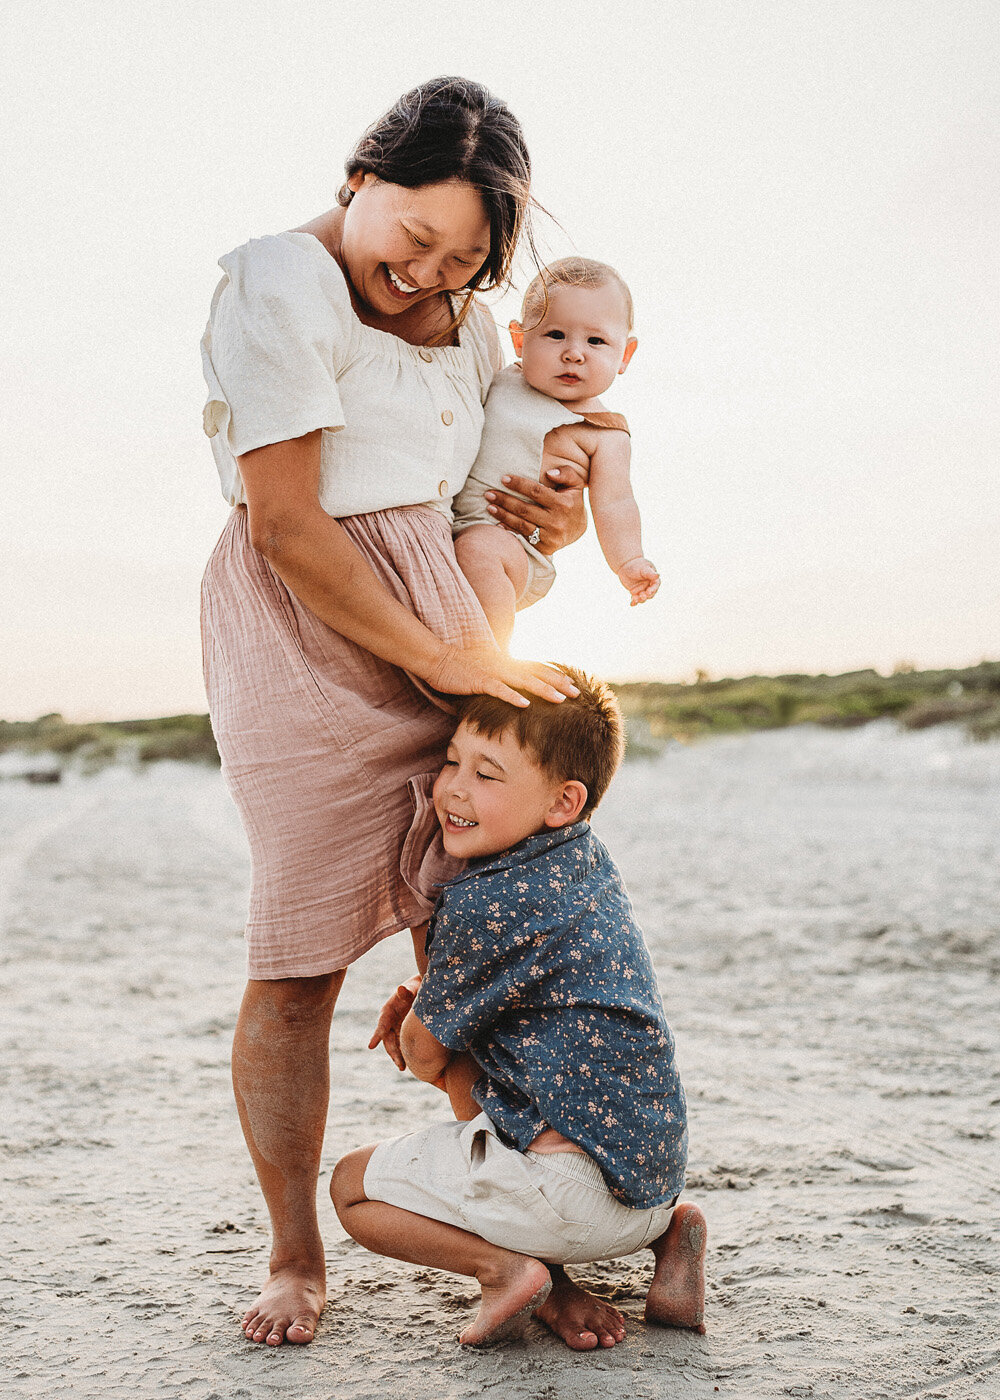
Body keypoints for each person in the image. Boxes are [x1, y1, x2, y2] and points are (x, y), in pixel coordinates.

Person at [200, 77, 618, 1351]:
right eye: (413, 239)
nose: (428, 275)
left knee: (481, 945)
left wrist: (548, 527)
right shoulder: (275, 277)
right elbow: (288, 523)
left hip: (449, 624)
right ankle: (294, 1250)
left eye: (464, 260)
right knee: (299, 960)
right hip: (305, 634)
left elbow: (477, 503)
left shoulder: (472, 326)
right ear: (357, 179)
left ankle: (522, 1238)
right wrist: (447, 663)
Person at [332, 670, 707, 1347]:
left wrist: (424, 1023)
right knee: (492, 1066)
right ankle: (670, 1240)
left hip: (568, 1198)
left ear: (564, 801)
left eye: (487, 774)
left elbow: (423, 1053)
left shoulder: (486, 899)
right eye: (452, 762)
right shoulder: (585, 860)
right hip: (654, 1188)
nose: (452, 789)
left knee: (350, 1189)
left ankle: (507, 1271)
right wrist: (440, 1000)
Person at [452, 258, 660, 645]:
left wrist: (629, 561)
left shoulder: (604, 432)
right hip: (449, 529)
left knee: (480, 551)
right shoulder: (500, 379)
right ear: (519, 339)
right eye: (556, 334)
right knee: (467, 552)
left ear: (625, 355)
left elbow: (615, 503)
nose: (574, 353)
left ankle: (492, 661)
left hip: (514, 548)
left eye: (595, 341)